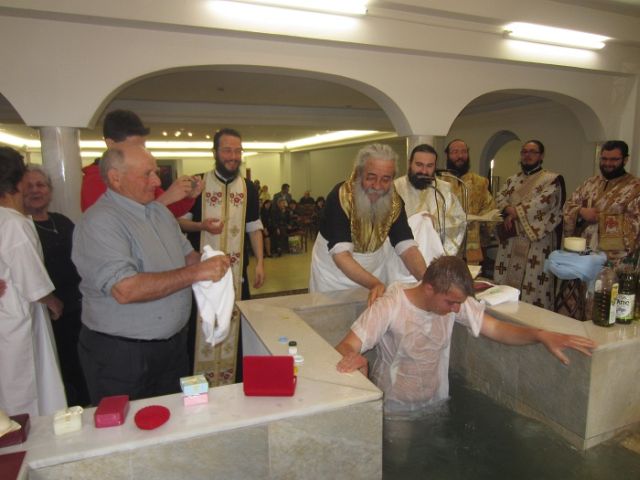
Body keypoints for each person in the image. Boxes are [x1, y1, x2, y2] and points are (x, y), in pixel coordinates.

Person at [335, 256, 596, 414]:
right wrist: (352, 357)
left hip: (436, 403)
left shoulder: (454, 302)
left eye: (459, 303)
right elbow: (346, 345)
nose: (456, 309)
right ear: (429, 288)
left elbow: (496, 329)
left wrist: (540, 335)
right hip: (396, 409)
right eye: (451, 302)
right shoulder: (391, 305)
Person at [72, 145, 230, 404]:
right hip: (122, 355)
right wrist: (196, 272)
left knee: (174, 418)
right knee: (126, 426)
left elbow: (188, 257)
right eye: (148, 174)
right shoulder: (100, 222)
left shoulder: (159, 213)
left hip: (171, 348)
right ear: (115, 178)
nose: (157, 182)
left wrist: (213, 261)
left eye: (156, 173)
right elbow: (126, 289)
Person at [186, 128, 264, 385]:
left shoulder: (248, 188)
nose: (233, 156)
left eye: (237, 151)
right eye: (227, 150)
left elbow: (254, 226)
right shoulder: (197, 184)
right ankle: (198, 389)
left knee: (236, 328)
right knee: (200, 328)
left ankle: (233, 389)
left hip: (236, 276)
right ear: (215, 152)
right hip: (200, 278)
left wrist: (260, 263)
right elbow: (177, 222)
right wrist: (201, 226)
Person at [309, 144, 427, 304]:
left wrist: (428, 282)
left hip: (373, 272)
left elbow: (407, 247)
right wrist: (375, 284)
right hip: (333, 274)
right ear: (359, 173)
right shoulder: (341, 197)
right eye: (371, 177)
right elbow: (341, 255)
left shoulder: (394, 202)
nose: (377, 186)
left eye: (385, 179)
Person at [0, 147, 66, 416]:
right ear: (19, 182)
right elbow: (31, 279)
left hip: (8, 310)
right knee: (27, 384)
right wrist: (53, 301)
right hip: (18, 312)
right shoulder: (13, 223)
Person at [23, 166, 90, 406]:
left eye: (40, 185)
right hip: (48, 311)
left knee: (82, 364)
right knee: (59, 369)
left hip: (78, 305)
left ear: (50, 191)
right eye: (29, 186)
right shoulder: (21, 226)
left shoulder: (61, 221)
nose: (35, 191)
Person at [80, 109, 201, 218]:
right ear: (111, 144)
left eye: (143, 146)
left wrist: (187, 196)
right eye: (134, 146)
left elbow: (170, 211)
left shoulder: (143, 176)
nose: (141, 151)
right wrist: (167, 198)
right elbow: (119, 223)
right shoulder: (94, 182)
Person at [493, 140, 565, 310]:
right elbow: (499, 197)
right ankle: (504, 312)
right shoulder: (512, 180)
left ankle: (533, 316)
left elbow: (543, 203)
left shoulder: (551, 180)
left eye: (532, 152)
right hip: (512, 239)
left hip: (536, 240)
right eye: (524, 152)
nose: (528, 155)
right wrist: (508, 210)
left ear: (541, 156)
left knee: (532, 283)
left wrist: (515, 212)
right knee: (507, 278)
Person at [563, 140, 640, 266]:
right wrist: (581, 211)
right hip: (583, 251)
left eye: (614, 159)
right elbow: (568, 205)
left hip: (613, 258)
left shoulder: (635, 188)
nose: (608, 163)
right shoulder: (590, 182)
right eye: (604, 159)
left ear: (625, 160)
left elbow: (636, 224)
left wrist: (601, 218)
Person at [395, 144, 466, 256]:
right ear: (410, 163)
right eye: (419, 165)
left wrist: (436, 223)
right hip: (401, 256)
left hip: (434, 257)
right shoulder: (395, 188)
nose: (424, 171)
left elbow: (459, 221)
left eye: (429, 166)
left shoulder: (444, 190)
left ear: (435, 166)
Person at [442, 139, 497, 264]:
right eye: (455, 152)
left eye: (464, 152)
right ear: (447, 155)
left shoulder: (480, 182)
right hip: (446, 242)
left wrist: (482, 220)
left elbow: (489, 207)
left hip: (472, 240)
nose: (460, 156)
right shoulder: (438, 181)